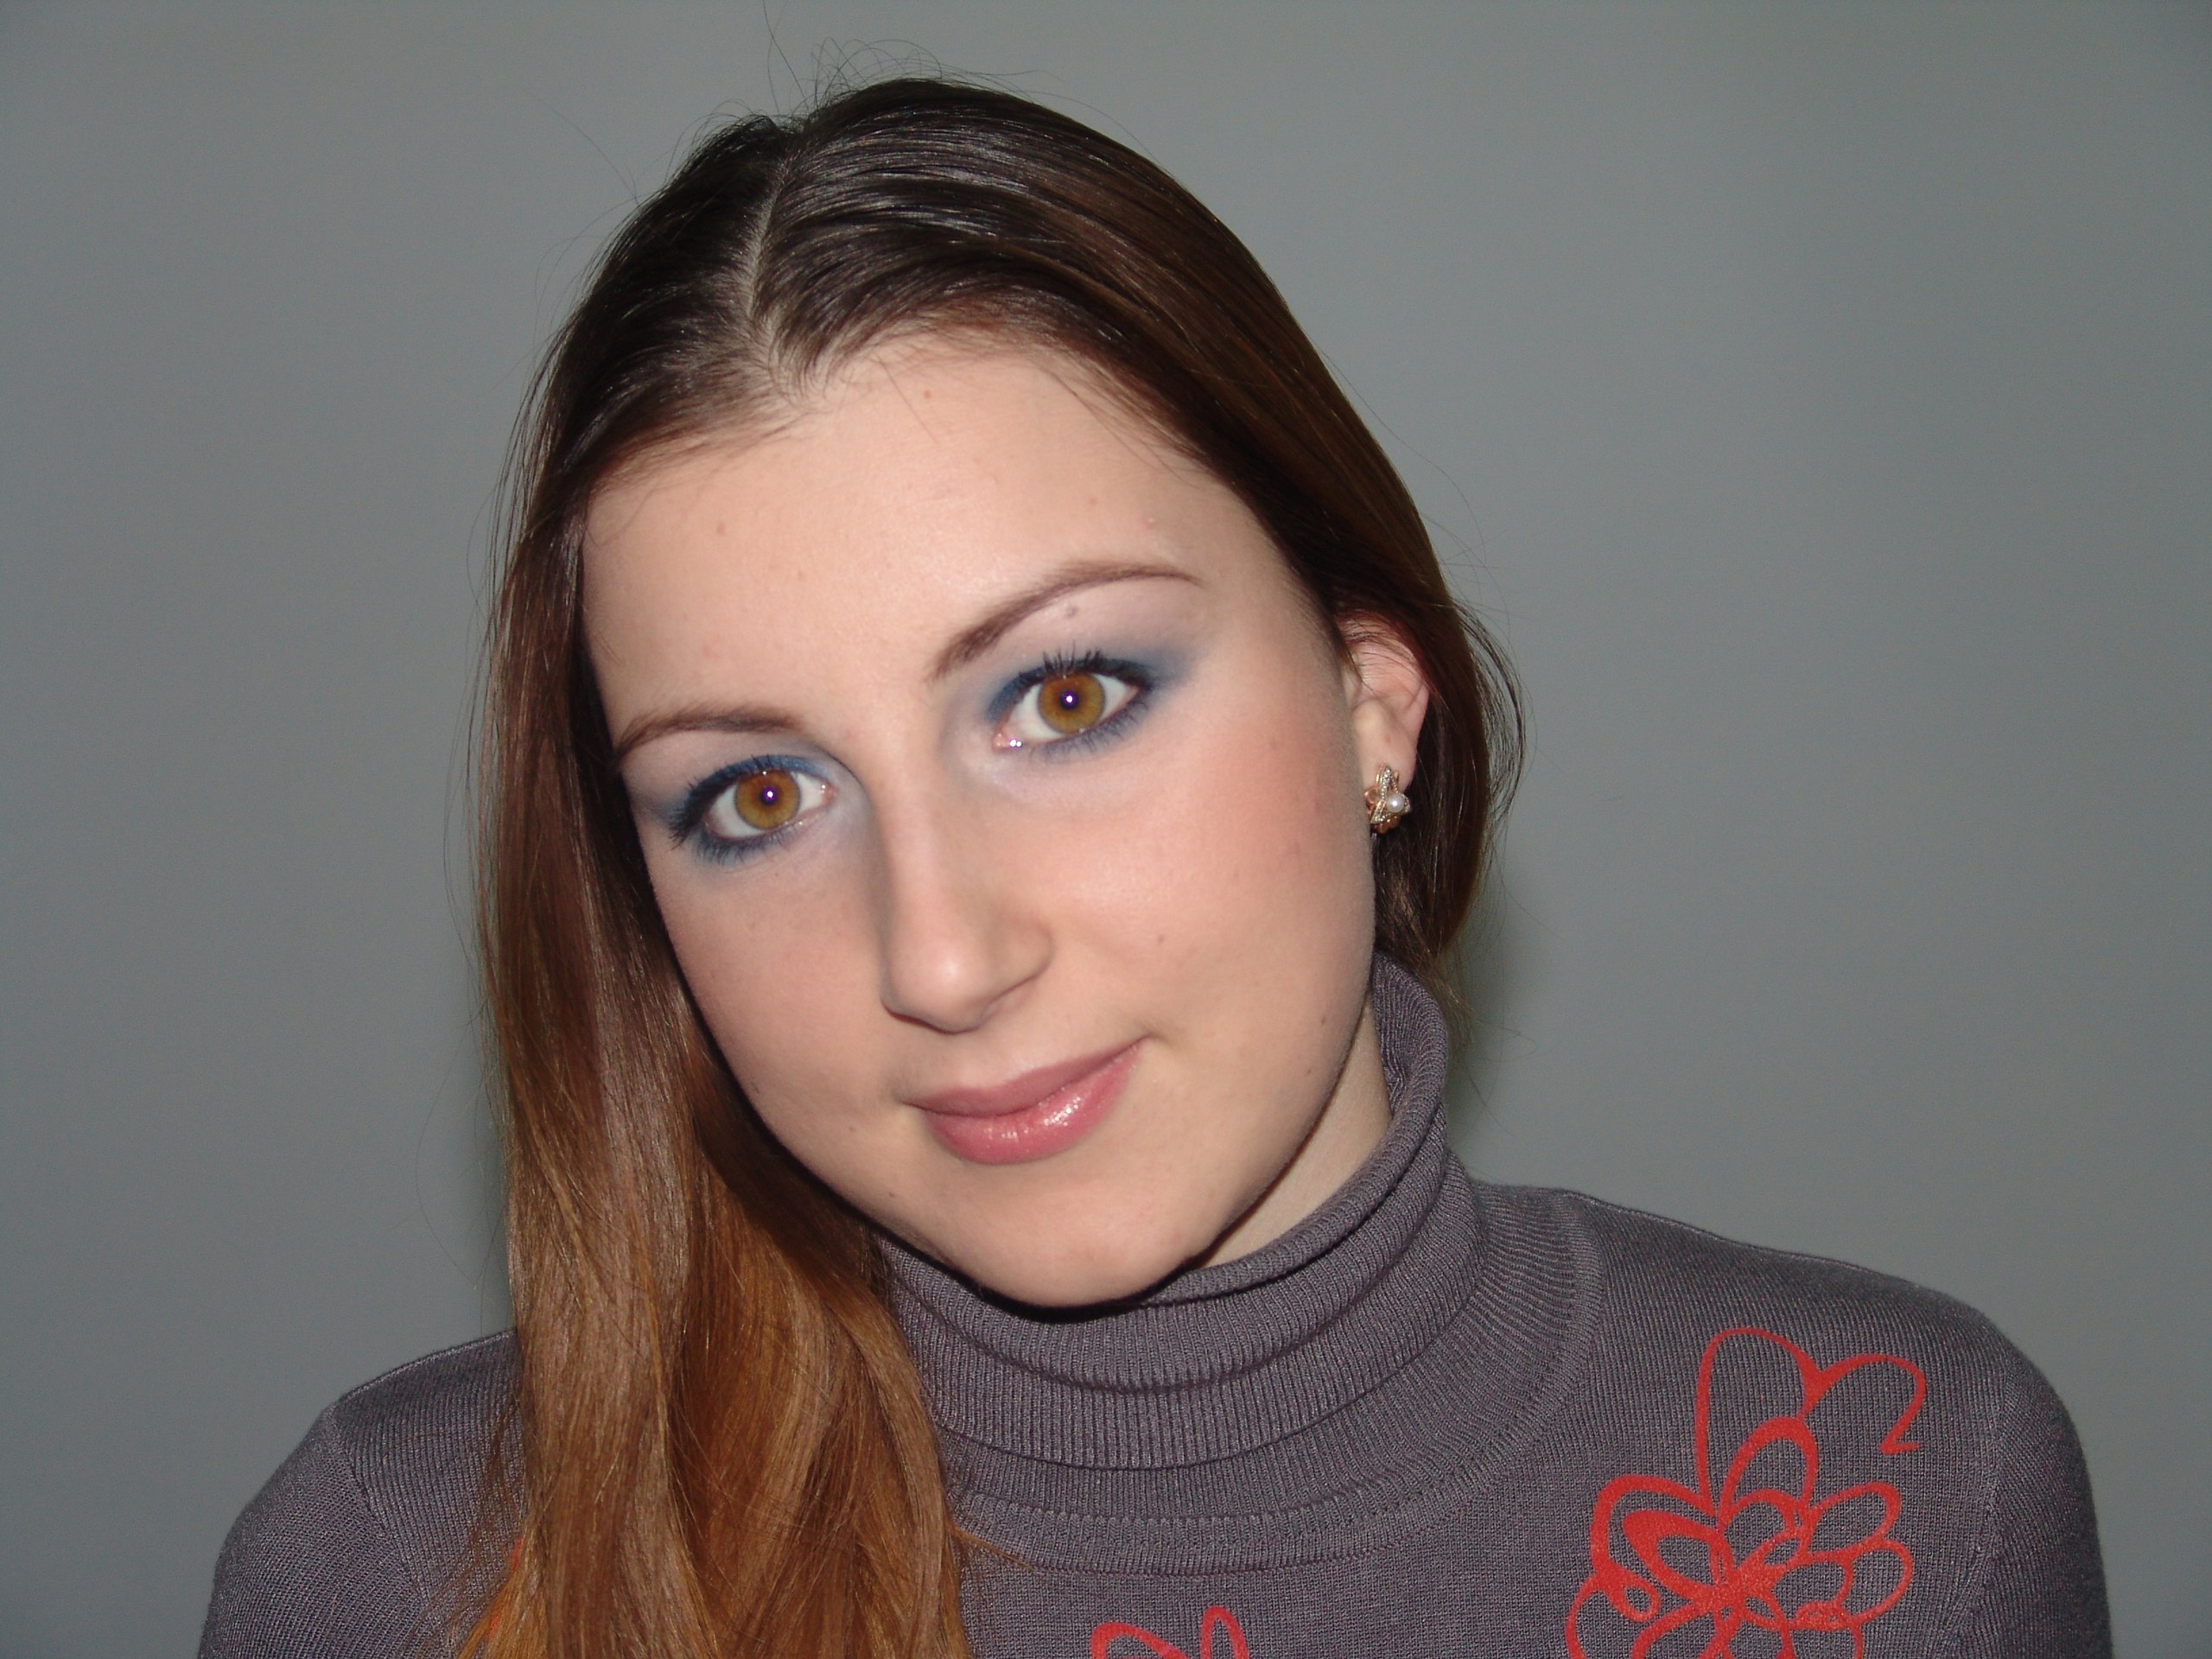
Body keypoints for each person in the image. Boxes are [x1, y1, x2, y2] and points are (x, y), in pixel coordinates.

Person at [198, 78, 2109, 1659]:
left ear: (1372, 701)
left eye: (1066, 696)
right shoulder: (397, 1578)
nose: (942, 957)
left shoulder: (1915, 1501)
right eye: (762, 798)